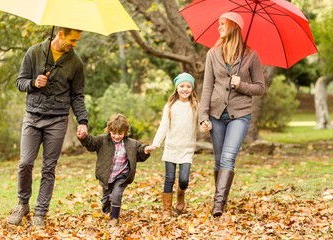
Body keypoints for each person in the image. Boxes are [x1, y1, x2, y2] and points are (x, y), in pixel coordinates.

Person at [7, 27, 88, 227]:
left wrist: (83, 121)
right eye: (72, 39)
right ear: (60, 34)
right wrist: (34, 83)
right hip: (33, 117)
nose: (74, 44)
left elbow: (77, 95)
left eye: (77, 40)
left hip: (57, 119)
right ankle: (22, 204)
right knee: (25, 163)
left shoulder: (75, 63)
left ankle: (40, 213)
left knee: (48, 168)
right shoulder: (34, 52)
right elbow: (20, 82)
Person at [199, 12, 265, 217]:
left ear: (234, 26)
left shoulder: (251, 56)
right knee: (219, 160)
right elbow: (207, 87)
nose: (219, 27)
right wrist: (203, 116)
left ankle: (218, 205)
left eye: (222, 24)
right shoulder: (212, 54)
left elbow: (260, 88)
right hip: (217, 114)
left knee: (228, 158)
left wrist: (242, 85)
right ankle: (222, 199)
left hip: (240, 114)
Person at [77, 113, 150, 226]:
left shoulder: (131, 144)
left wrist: (146, 150)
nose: (116, 136)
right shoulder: (102, 140)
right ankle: (106, 210)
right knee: (106, 199)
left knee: (116, 195)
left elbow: (139, 152)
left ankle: (114, 218)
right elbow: (91, 144)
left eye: (120, 133)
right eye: (113, 133)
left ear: (125, 132)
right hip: (106, 176)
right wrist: (84, 138)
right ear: (109, 130)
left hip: (122, 175)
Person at [145, 72, 198, 219]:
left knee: (183, 179)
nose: (185, 89)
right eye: (182, 86)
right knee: (169, 178)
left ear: (192, 89)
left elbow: (201, 122)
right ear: (177, 88)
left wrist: (206, 124)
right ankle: (167, 209)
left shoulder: (195, 106)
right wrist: (156, 144)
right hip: (171, 147)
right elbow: (163, 126)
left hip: (187, 149)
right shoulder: (170, 106)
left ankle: (180, 195)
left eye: (188, 86)